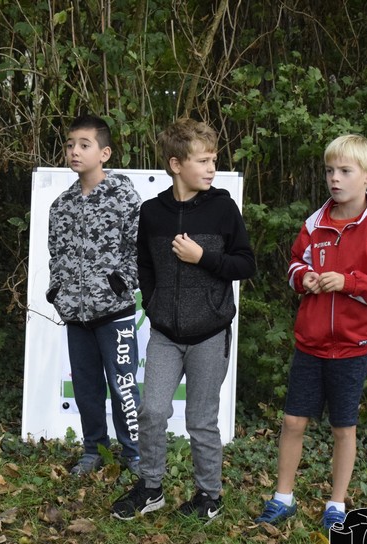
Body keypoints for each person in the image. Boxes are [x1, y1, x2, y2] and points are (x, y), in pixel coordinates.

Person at [254, 134, 367, 529]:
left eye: (344, 171)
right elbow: (295, 263)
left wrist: (349, 282)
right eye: (329, 171)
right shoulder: (315, 223)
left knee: (343, 428)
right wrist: (303, 278)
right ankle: (283, 498)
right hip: (310, 344)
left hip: (352, 348)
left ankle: (336, 504)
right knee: (293, 422)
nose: (334, 179)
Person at [110, 118, 256, 521]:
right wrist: (153, 303)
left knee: (201, 420)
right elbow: (144, 263)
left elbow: (246, 264)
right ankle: (150, 488)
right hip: (165, 335)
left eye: (214, 160)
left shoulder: (223, 208)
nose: (212, 168)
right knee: (152, 410)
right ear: (176, 164)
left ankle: (209, 495)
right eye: (203, 161)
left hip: (210, 333)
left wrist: (203, 257)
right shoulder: (152, 212)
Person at [46, 115, 143, 476]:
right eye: (70, 144)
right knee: (86, 387)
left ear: (104, 153)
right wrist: (59, 293)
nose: (74, 151)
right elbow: (56, 254)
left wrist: (120, 284)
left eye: (84, 145)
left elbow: (139, 249)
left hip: (115, 314)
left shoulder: (124, 197)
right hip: (76, 316)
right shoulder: (61, 205)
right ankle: (93, 449)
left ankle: (134, 453)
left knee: (123, 386)